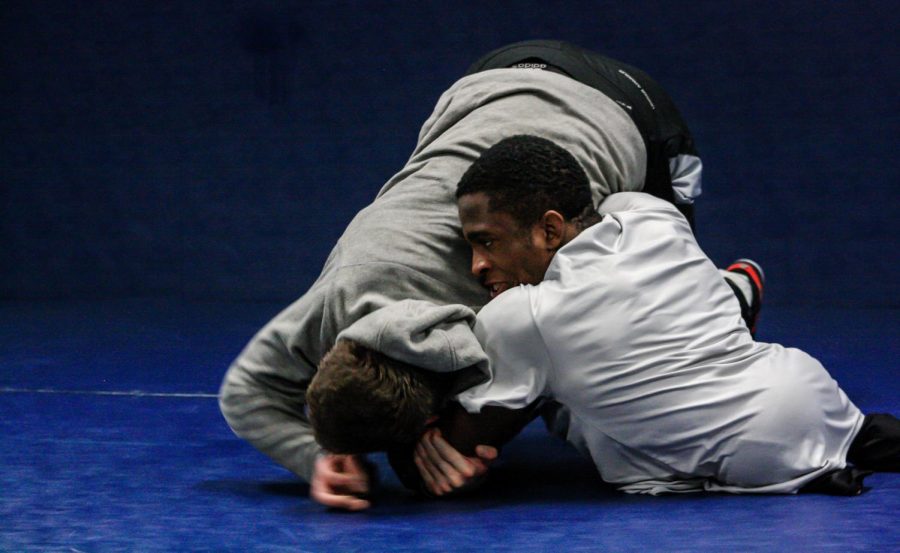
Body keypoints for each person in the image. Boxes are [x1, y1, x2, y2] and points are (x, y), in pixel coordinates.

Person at [218, 40, 745, 511]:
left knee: (662, 339)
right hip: (488, 82)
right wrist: (319, 453)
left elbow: (246, 395)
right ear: (341, 342)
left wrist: (431, 452)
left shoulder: (502, 310)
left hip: (632, 114)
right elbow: (246, 390)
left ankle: (733, 290)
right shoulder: (343, 294)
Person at [395, 134, 896, 496]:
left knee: (567, 409)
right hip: (814, 393)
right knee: (609, 363)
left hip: (755, 461)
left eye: (487, 242)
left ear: (549, 230)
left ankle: (729, 297)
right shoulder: (650, 215)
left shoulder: (521, 316)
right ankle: (729, 293)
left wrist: (417, 446)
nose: (477, 266)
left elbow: (464, 441)